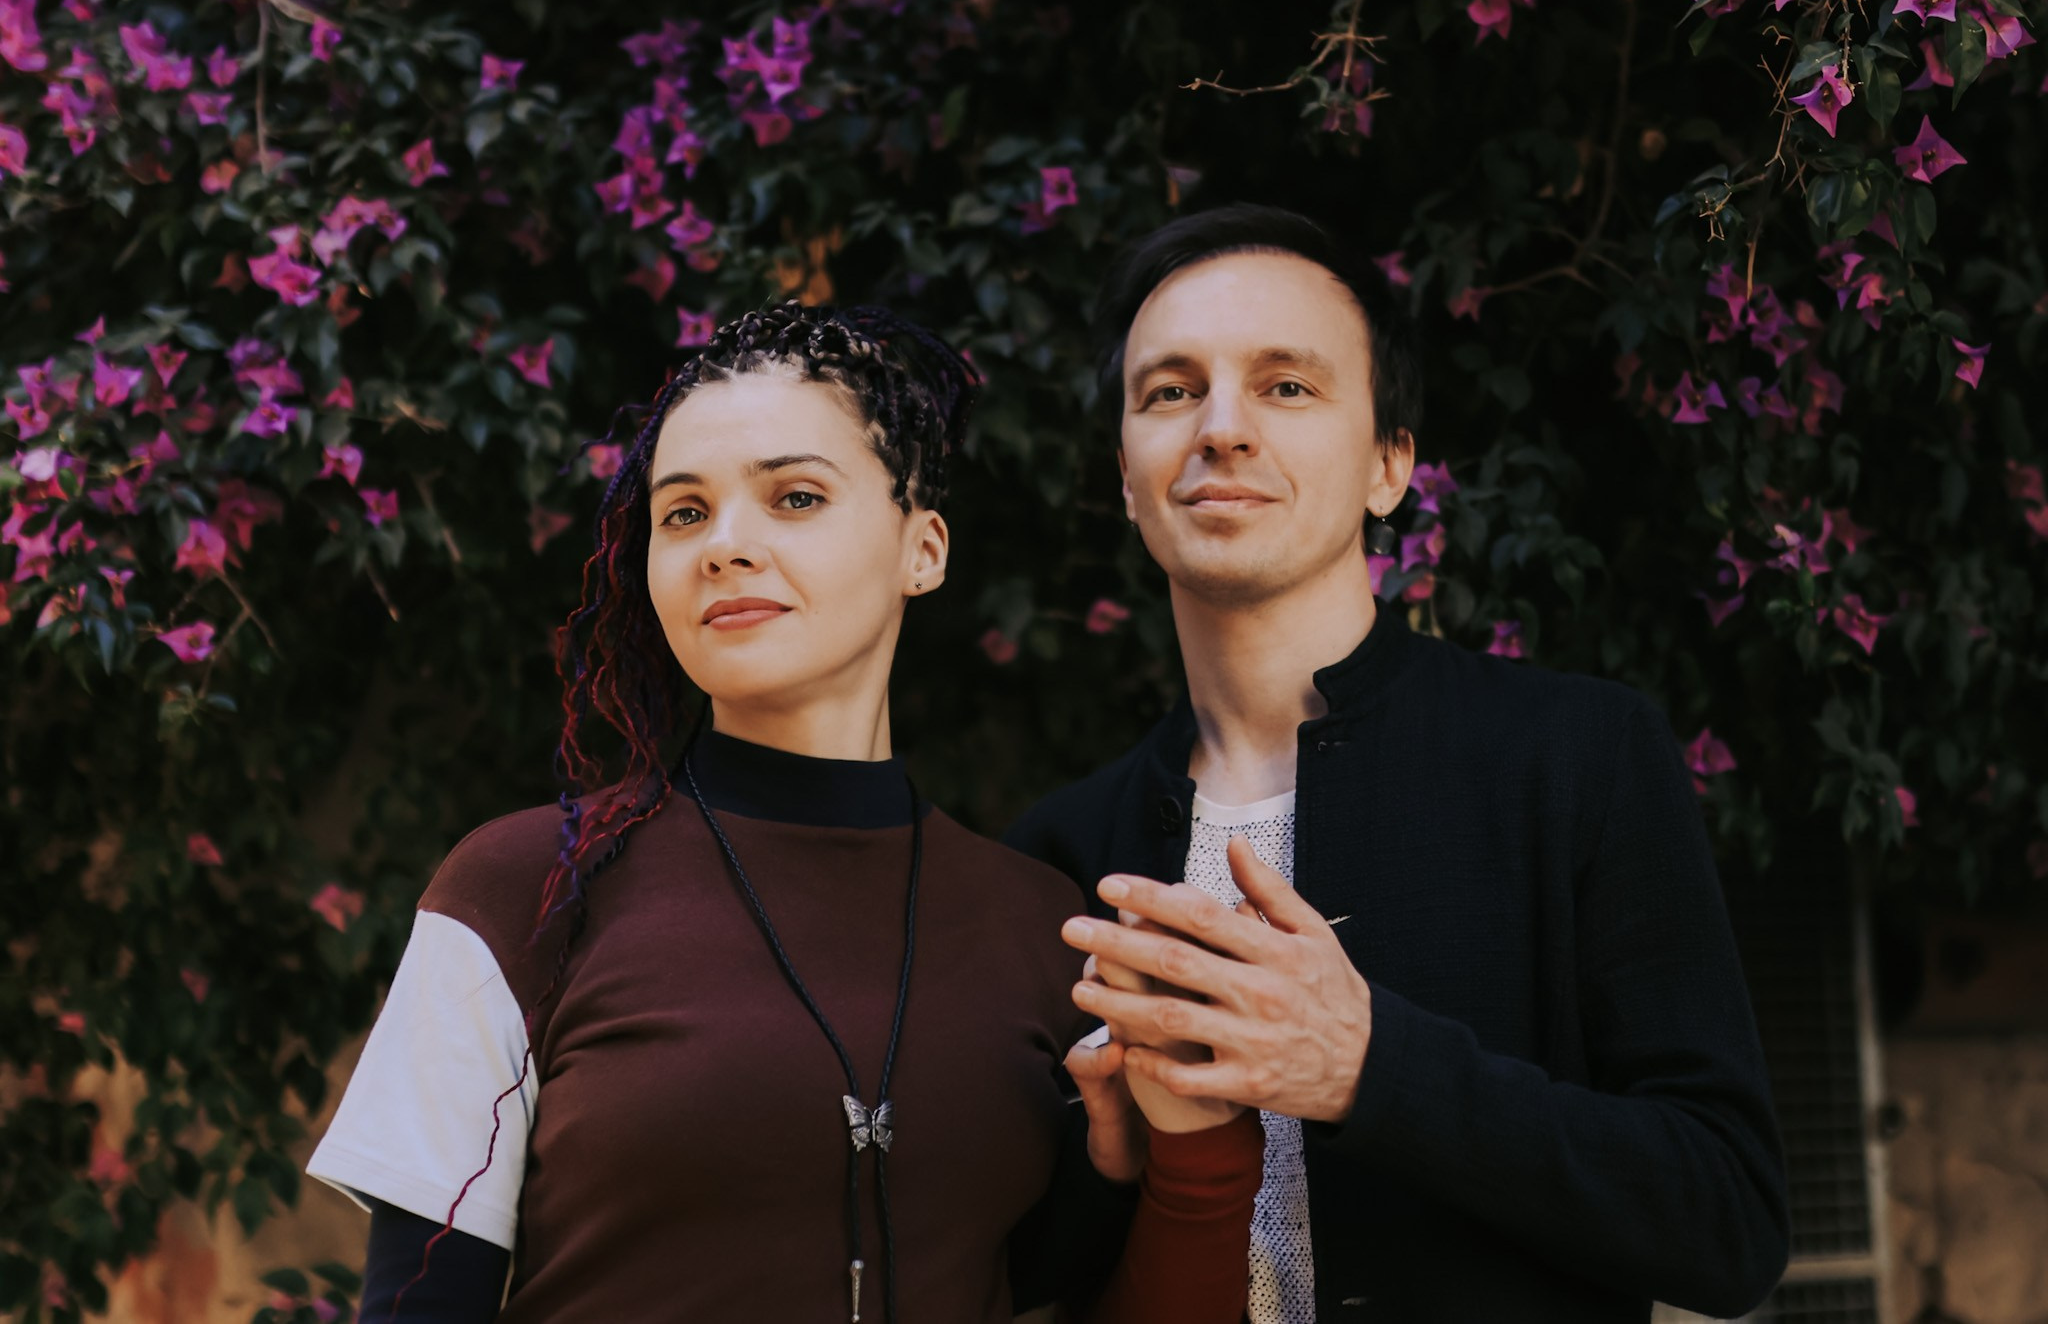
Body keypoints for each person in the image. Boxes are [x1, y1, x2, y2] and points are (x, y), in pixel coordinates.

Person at [305, 301, 1263, 1323]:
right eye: (683, 514)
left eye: (794, 497)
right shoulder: (522, 891)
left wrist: (1125, 1167)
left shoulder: (1042, 926)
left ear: (923, 549)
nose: (723, 546)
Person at [1004, 205, 1792, 1323]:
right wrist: (1115, 1165)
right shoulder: (1057, 852)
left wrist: (1372, 1067)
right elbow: (1021, 1276)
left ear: (1389, 466)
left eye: (1285, 386)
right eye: (1171, 391)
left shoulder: (1576, 757)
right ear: (1127, 478)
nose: (1220, 428)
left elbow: (1729, 1221)